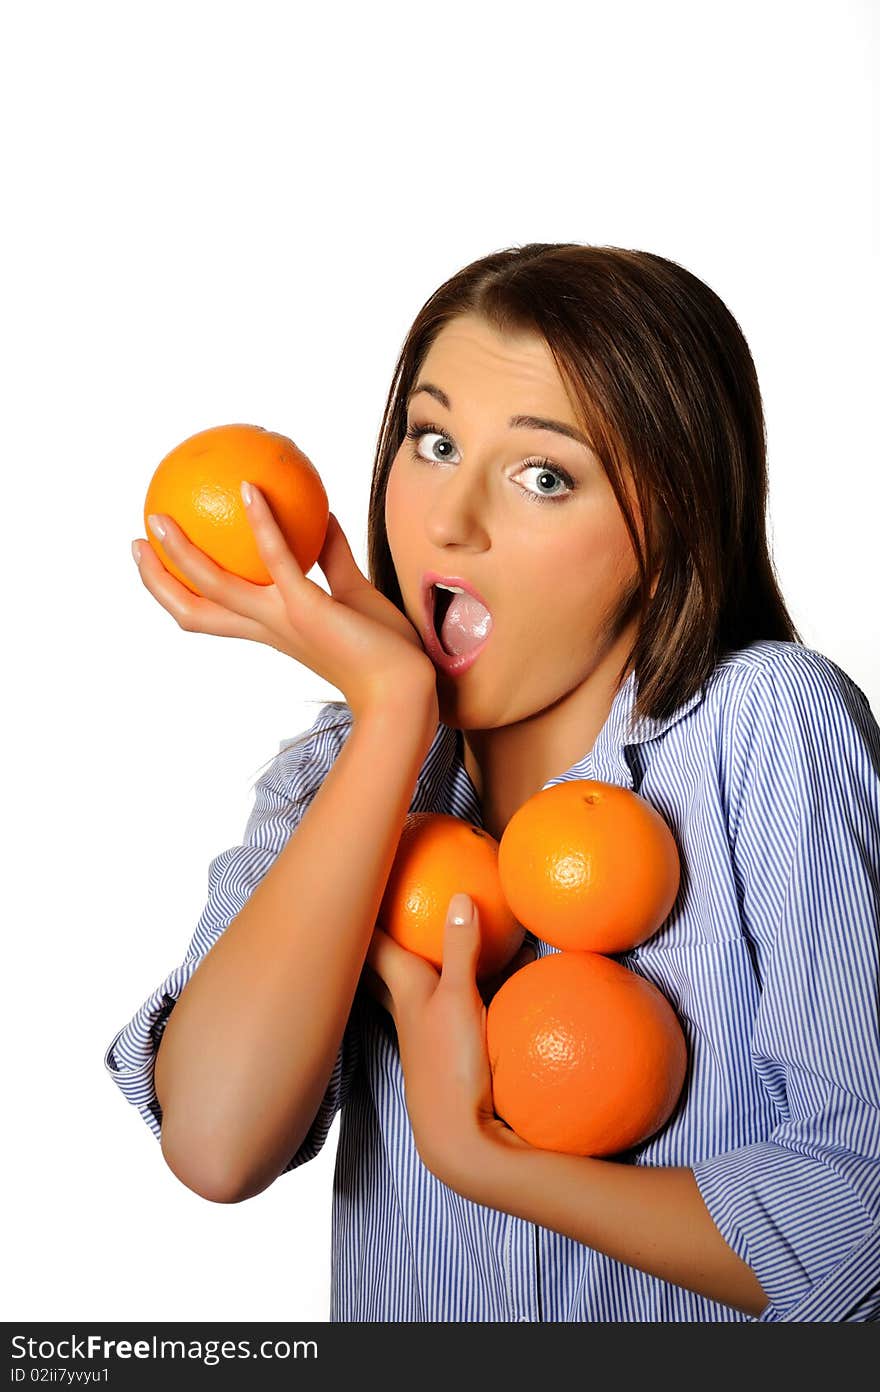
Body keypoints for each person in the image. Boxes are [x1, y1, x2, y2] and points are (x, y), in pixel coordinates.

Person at [106, 243, 880, 1322]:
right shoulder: (339, 777)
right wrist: (389, 722)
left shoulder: (762, 725)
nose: (449, 519)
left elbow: (854, 1232)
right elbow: (217, 1143)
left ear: (666, 530)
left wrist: (491, 1164)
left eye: (543, 475)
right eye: (431, 442)